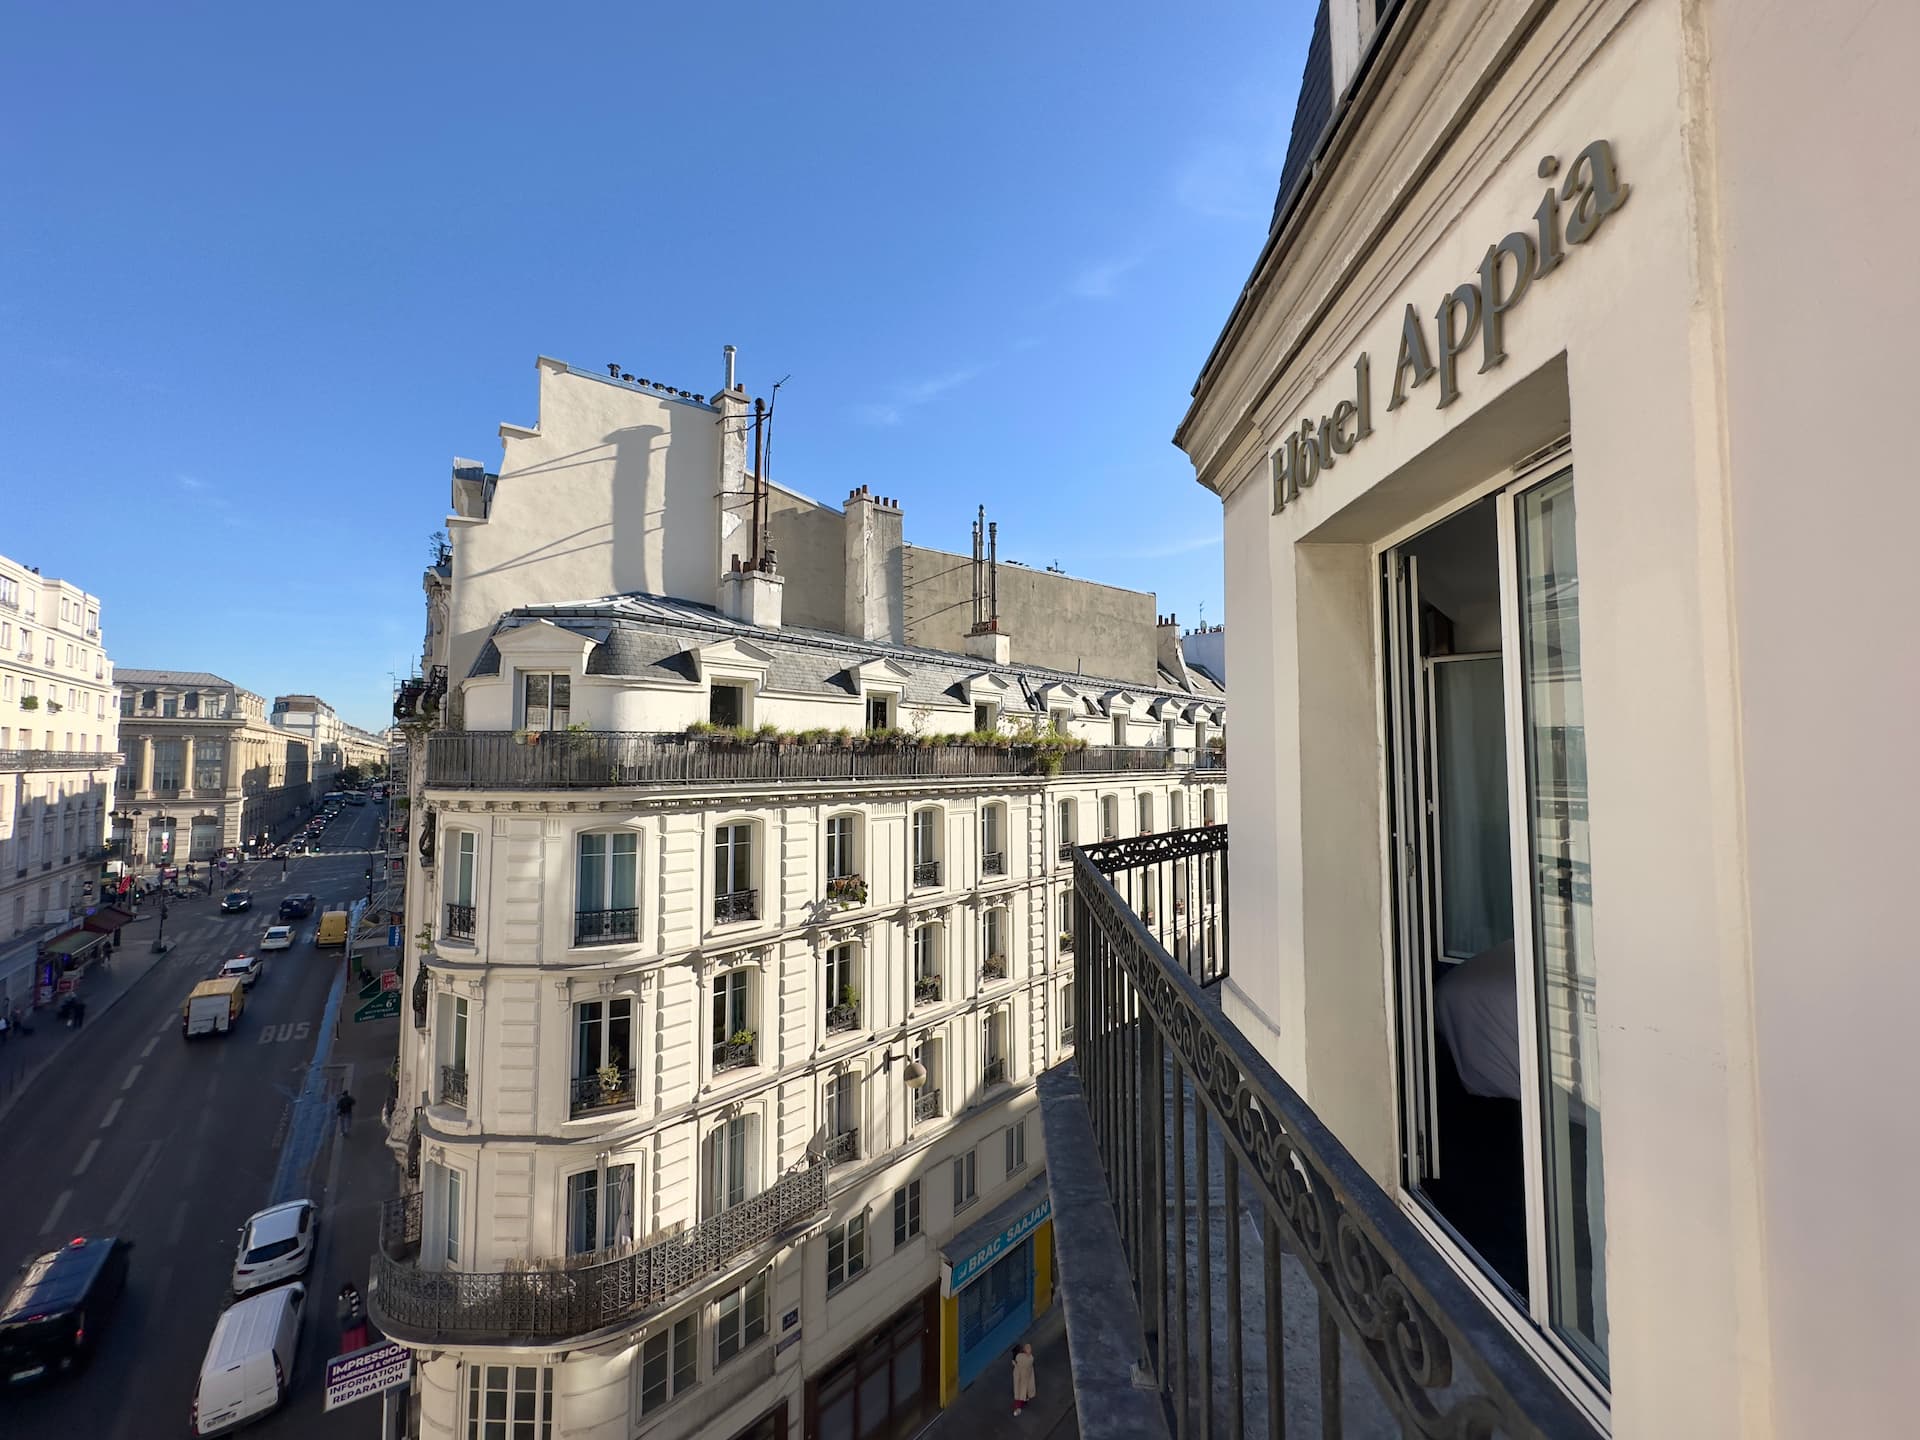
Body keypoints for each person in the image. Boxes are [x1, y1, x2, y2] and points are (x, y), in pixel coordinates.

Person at [1012, 1342, 1036, 1417]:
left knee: (1019, 1394)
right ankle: (1024, 1400)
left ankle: (1018, 1408)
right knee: (1024, 1392)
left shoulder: (1018, 1360)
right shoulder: (1029, 1359)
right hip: (1026, 1378)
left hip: (1021, 1379)